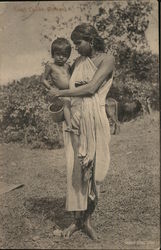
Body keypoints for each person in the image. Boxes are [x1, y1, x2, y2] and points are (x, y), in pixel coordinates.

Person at [44, 23, 115, 240]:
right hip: (74, 121)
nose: (76, 48)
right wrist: (54, 93)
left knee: (95, 172)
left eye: (79, 43)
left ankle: (88, 221)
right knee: (76, 172)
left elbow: (91, 88)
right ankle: (77, 222)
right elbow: (64, 85)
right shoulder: (77, 62)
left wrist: (61, 92)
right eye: (74, 44)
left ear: (91, 39)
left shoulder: (107, 59)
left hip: (95, 119)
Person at [42, 37, 78, 134]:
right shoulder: (51, 66)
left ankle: (77, 123)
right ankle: (69, 126)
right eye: (58, 54)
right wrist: (51, 88)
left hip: (72, 91)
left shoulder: (68, 66)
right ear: (53, 54)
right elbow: (43, 79)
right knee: (66, 105)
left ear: (68, 56)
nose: (61, 57)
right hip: (61, 92)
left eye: (64, 55)